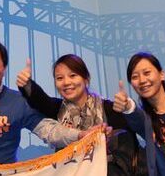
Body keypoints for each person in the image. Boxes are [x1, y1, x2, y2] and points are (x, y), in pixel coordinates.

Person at [16, 54, 146, 176]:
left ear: (86, 79)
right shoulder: (56, 109)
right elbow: (41, 100)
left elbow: (139, 129)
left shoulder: (108, 108)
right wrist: (27, 84)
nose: (66, 82)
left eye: (73, 75)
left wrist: (127, 108)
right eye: (59, 78)